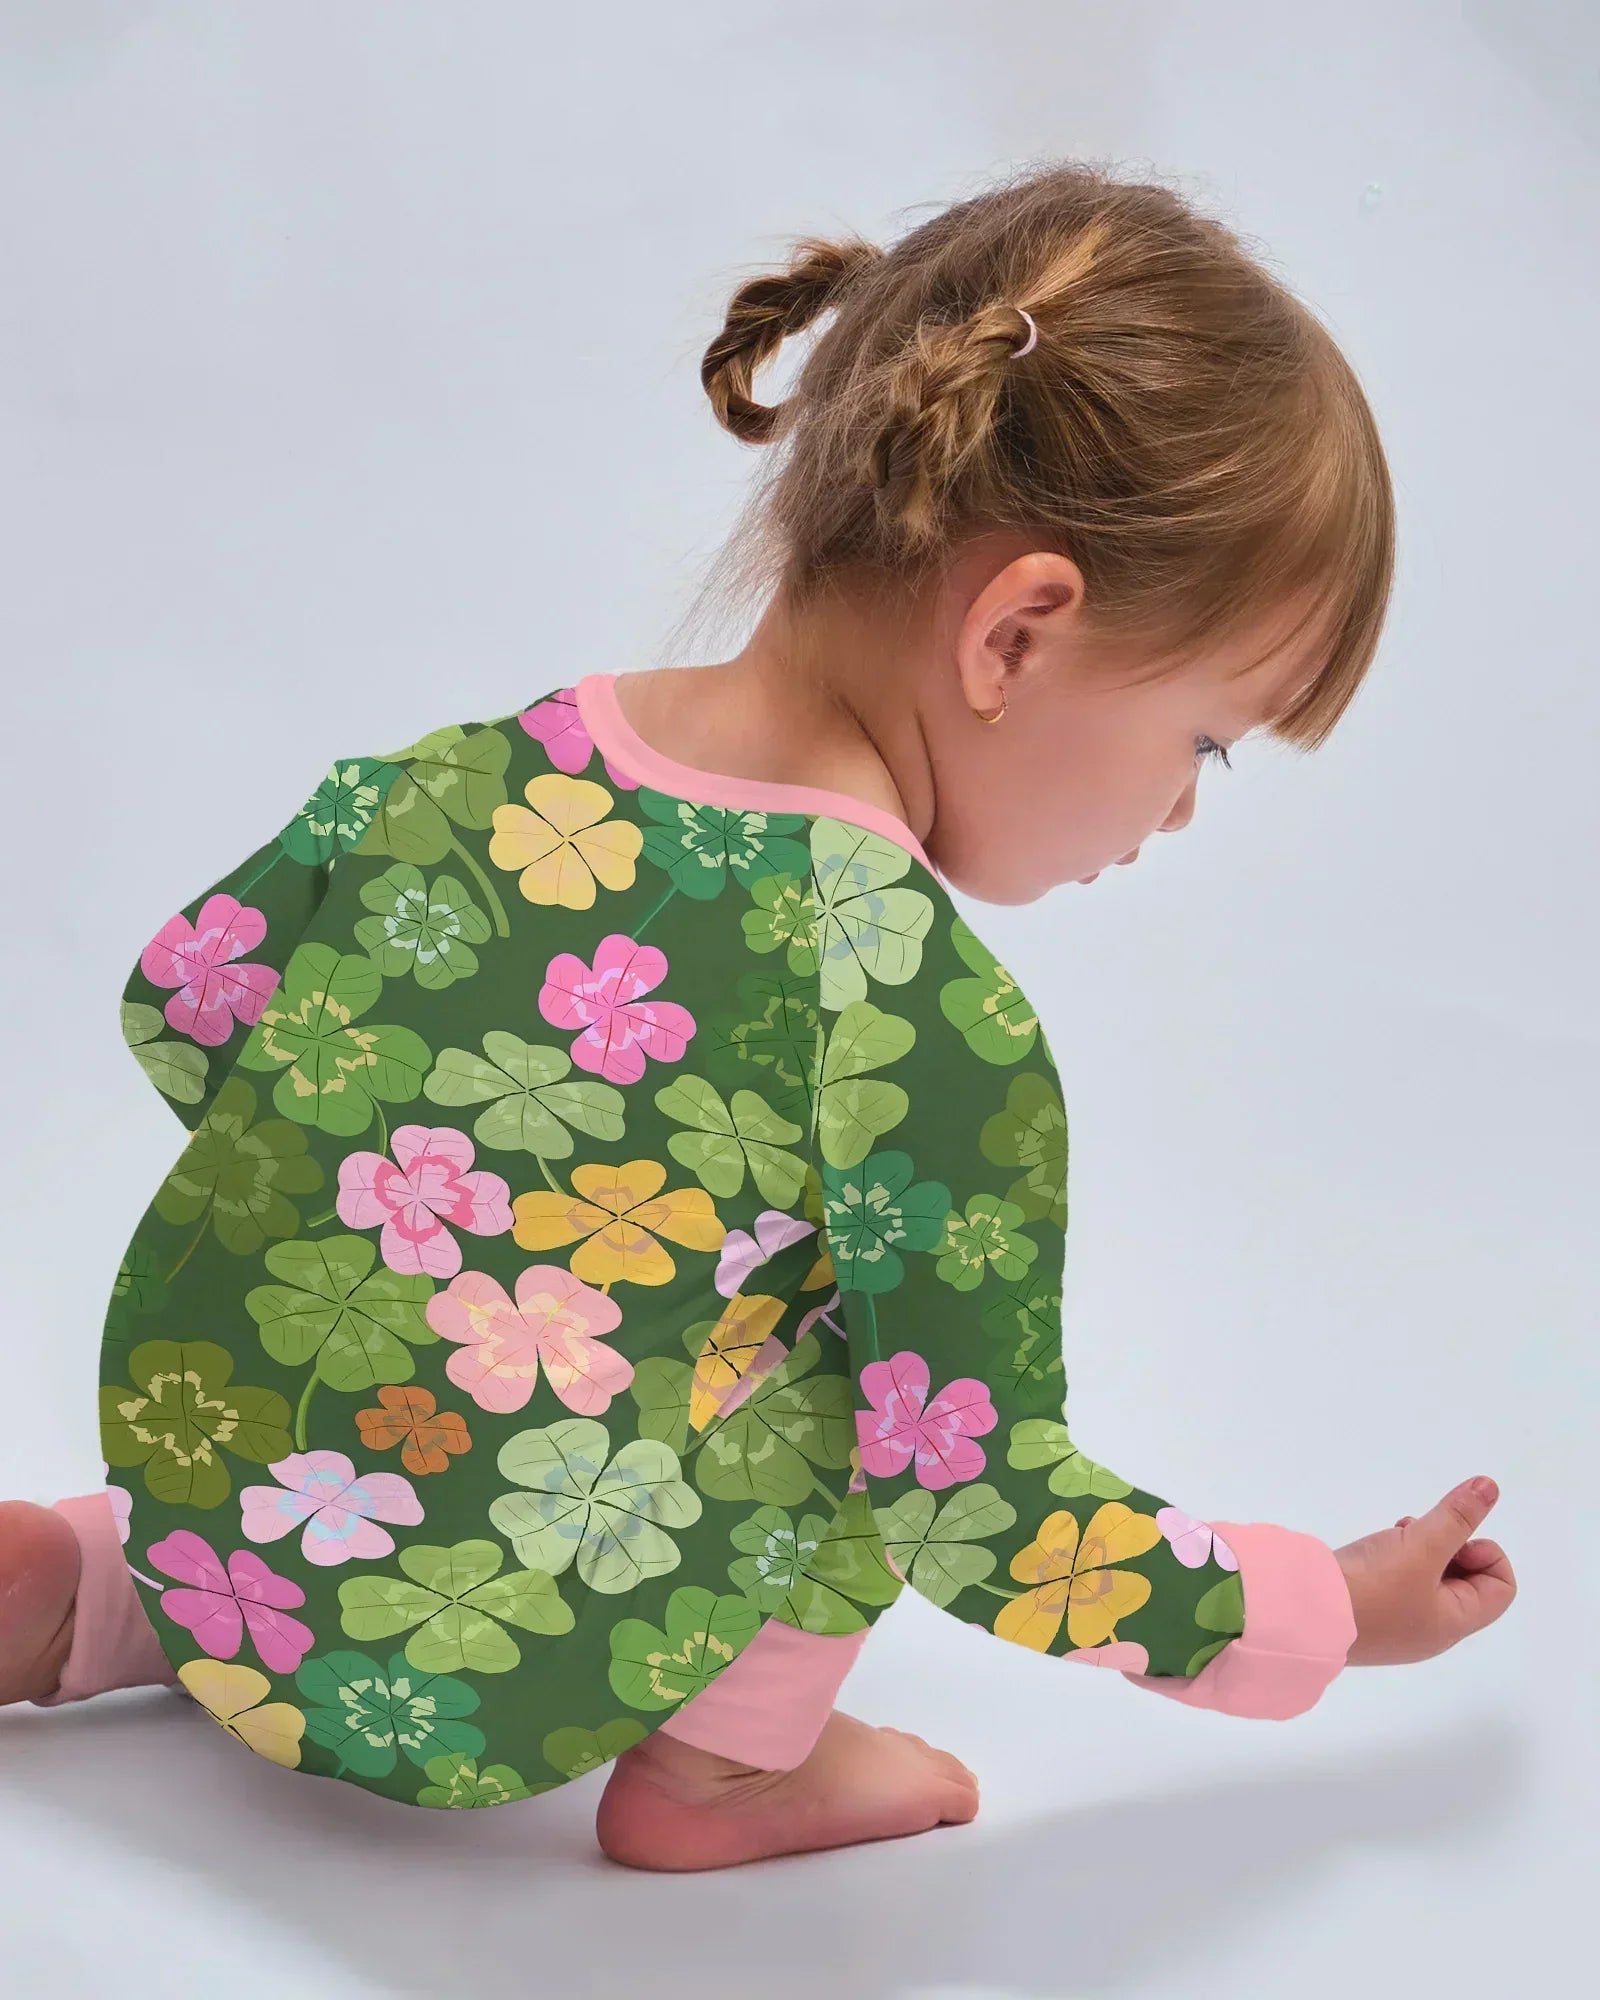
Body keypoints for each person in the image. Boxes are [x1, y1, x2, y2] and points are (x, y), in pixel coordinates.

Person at [0, 161, 1515, 1873]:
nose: (1174, 814)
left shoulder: (476, 770)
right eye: (1208, 744)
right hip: (504, 1683)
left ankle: (103, 1589)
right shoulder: (924, 1021)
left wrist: (430, 1246)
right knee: (875, 1383)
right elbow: (980, 1513)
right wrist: (1327, 1611)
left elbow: (185, 998)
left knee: (433, 1251)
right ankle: (721, 1774)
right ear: (1017, 634)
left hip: (235, 1504)